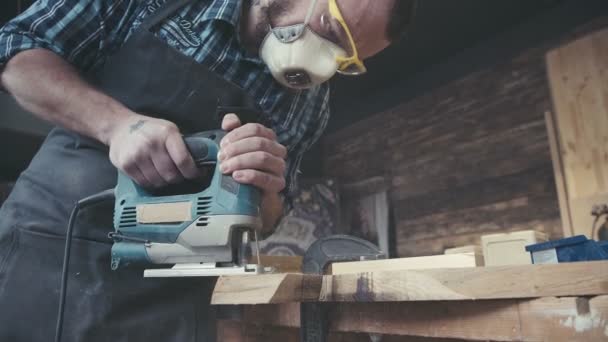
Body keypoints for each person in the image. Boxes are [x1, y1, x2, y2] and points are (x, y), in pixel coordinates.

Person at [0, 0, 416, 340]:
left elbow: (271, 215)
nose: (323, 61)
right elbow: (16, 48)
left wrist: (264, 188)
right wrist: (116, 124)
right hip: (51, 248)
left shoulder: (309, 103)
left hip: (172, 295)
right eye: (330, 28)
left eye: (345, 57)